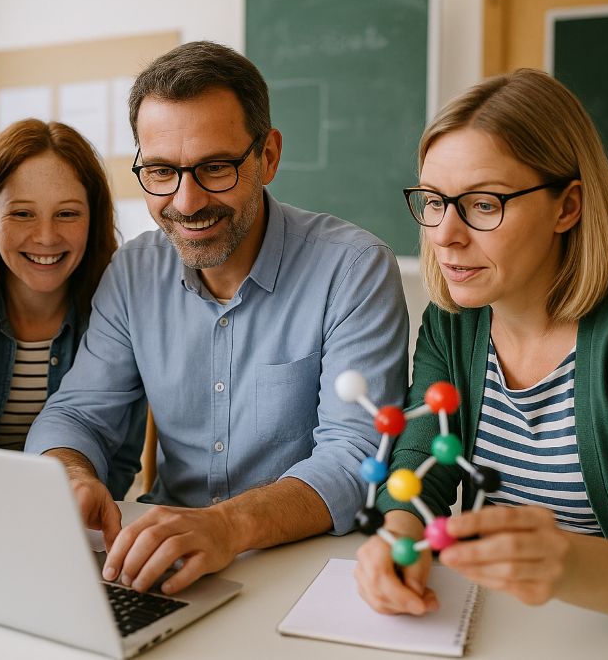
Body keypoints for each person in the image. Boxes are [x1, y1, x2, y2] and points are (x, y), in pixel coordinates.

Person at [26, 41, 409, 595]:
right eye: (160, 171)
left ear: (268, 157)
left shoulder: (352, 268)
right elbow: (78, 413)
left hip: (303, 569)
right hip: (162, 560)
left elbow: (354, 456)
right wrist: (70, 472)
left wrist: (225, 526)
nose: (185, 202)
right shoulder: (133, 272)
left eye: (215, 168)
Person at [354, 68, 608, 628]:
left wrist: (567, 566)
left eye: (484, 204)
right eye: (434, 201)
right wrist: (397, 536)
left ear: (568, 207)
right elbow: (420, 463)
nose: (444, 234)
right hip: (486, 623)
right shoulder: (452, 323)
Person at [0, 118, 144, 499]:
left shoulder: (119, 317)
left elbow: (120, 463)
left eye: (68, 213)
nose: (46, 237)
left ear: (93, 219)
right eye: (22, 213)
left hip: (69, 522)